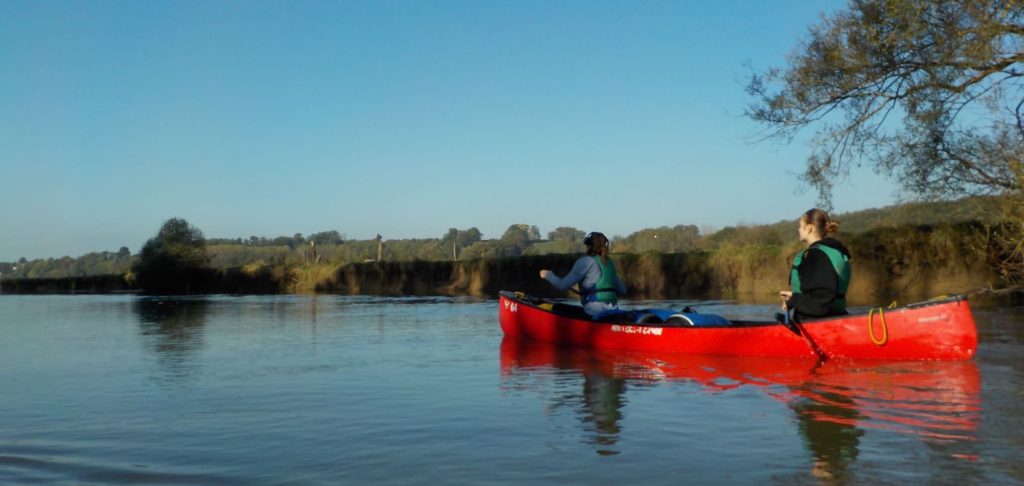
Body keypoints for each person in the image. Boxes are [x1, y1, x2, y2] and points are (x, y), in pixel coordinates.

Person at [779, 209, 852, 320]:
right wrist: (793, 298)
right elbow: (822, 292)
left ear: (809, 228)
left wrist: (794, 300)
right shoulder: (834, 250)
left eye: (800, 226)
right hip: (836, 317)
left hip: (814, 323)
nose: (798, 230)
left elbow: (820, 301)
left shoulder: (815, 256)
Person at [539, 232, 627, 317]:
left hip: (594, 311)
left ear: (589, 246)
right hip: (613, 310)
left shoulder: (586, 261)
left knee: (557, 308)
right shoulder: (609, 264)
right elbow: (623, 290)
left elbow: (561, 286)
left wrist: (548, 275)